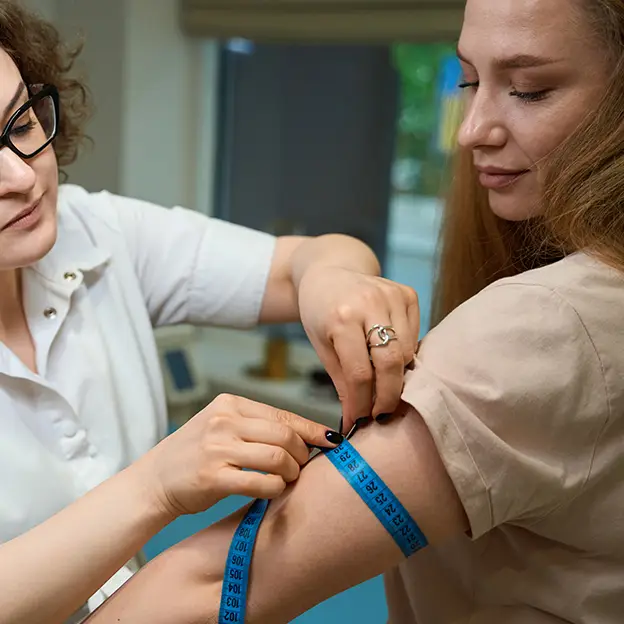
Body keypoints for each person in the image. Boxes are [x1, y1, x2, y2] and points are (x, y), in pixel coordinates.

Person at [85, 0, 624, 623]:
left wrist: (329, 277)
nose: (472, 128)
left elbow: (206, 588)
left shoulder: (545, 324)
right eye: (469, 80)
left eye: (528, 89)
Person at [0, 2, 421, 623]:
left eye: (21, 122)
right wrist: (158, 485)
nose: (18, 176)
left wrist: (332, 279)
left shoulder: (98, 231)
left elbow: (303, 261)